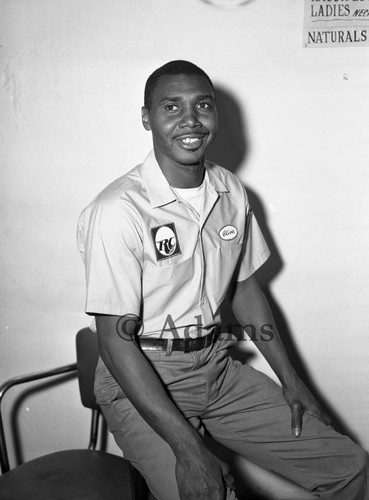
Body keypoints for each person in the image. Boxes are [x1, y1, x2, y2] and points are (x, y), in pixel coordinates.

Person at [77, 60, 368, 500]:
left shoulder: (230, 189)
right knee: (207, 493)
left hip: (215, 367)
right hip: (140, 376)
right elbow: (116, 343)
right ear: (146, 118)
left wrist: (292, 381)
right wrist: (188, 449)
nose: (190, 120)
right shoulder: (117, 210)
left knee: (350, 468)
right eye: (171, 107)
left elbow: (245, 288)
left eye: (203, 105)